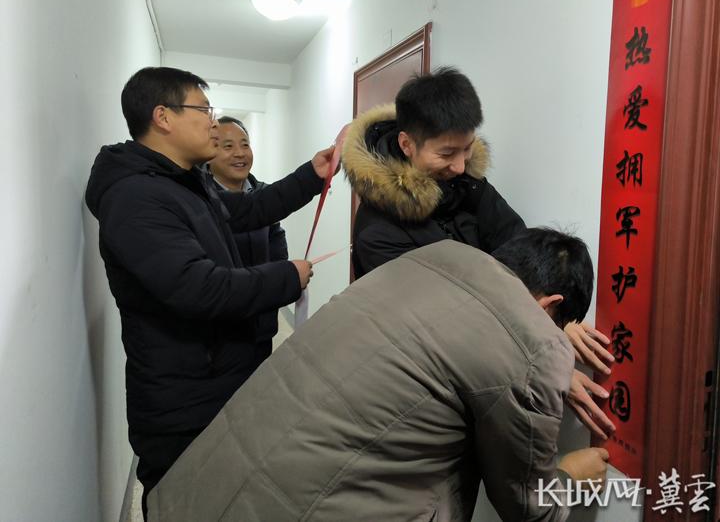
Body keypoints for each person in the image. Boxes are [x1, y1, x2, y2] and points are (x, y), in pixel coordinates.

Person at [147, 229, 609, 522]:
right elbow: (526, 506)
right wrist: (569, 476)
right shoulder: (530, 349)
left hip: (199, 488)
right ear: (551, 306)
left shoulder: (425, 263)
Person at [85, 66, 335, 518]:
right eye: (203, 110)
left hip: (218, 380)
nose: (214, 124)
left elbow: (248, 209)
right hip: (184, 402)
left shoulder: (181, 183)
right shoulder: (135, 197)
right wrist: (286, 277)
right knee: (186, 504)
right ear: (163, 117)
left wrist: (311, 176)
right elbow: (199, 288)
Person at [343, 67, 616, 441]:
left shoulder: (466, 184)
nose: (459, 166)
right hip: (414, 390)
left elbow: (519, 253)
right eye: (446, 153)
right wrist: (546, 363)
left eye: (467, 148)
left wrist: (557, 320)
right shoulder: (378, 232)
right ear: (407, 145)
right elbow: (446, 325)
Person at [207, 115, 288, 347]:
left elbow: (277, 248)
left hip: (262, 324)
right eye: (228, 146)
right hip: (220, 330)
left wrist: (283, 280)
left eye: (245, 145)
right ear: (209, 153)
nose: (240, 153)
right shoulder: (201, 201)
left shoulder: (264, 195)